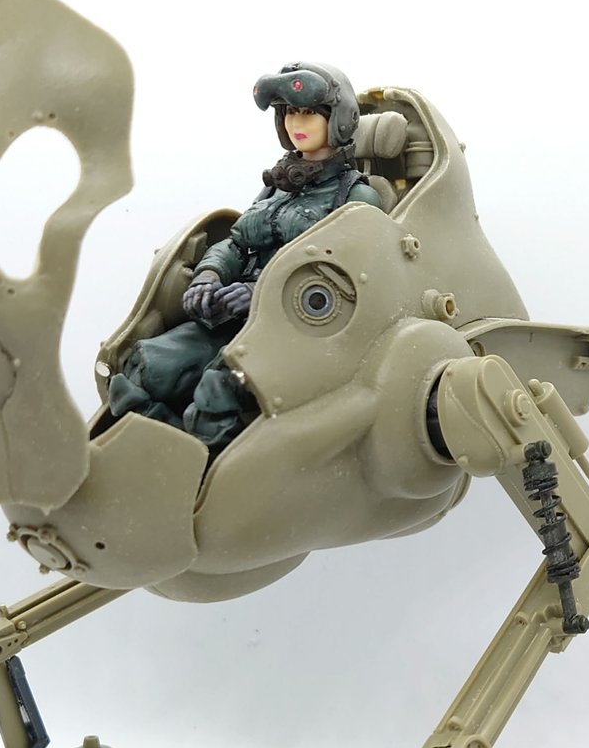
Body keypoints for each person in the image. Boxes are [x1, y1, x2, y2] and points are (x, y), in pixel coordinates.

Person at [107, 61, 384, 454]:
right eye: (289, 112)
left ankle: (197, 467)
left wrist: (262, 295)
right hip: (231, 314)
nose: (295, 122)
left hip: (292, 330)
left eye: (308, 112)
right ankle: (156, 457)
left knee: (218, 389)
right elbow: (236, 243)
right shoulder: (276, 188)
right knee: (146, 367)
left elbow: (347, 283)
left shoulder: (356, 196)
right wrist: (208, 275)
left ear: (338, 119)